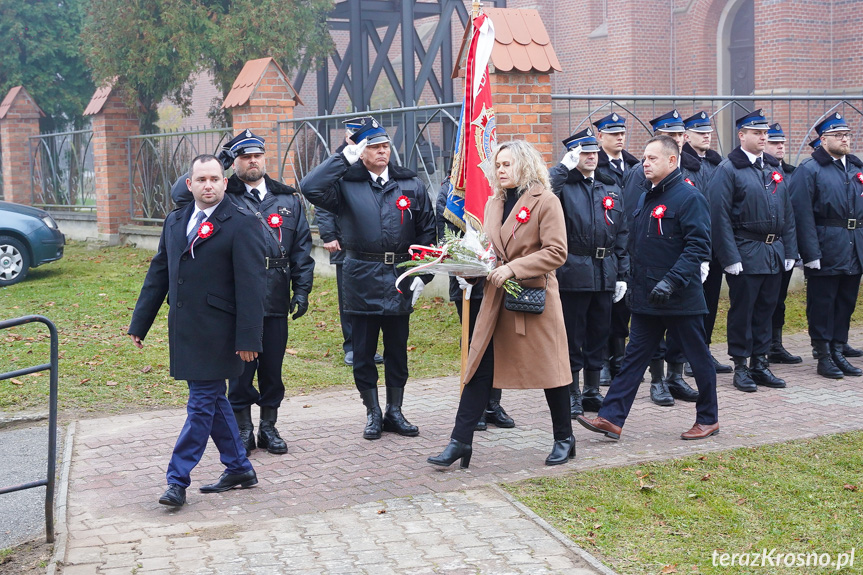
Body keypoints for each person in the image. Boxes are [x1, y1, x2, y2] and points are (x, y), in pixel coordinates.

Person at [128, 154, 266, 507]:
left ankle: (177, 480)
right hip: (186, 330)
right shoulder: (176, 220)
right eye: (201, 179)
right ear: (189, 184)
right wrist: (141, 322)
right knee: (214, 401)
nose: (208, 185)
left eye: (215, 179)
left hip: (220, 333)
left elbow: (252, 284)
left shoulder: (241, 221)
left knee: (201, 404)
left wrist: (250, 337)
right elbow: (160, 271)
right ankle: (239, 466)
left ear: (225, 182)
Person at [427, 140, 574, 469]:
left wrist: (513, 268)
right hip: (497, 298)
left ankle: (564, 438)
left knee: (552, 370)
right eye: (498, 165)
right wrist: (469, 269)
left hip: (534, 297)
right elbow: (492, 249)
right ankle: (460, 442)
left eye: (507, 164)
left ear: (524, 165)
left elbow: (556, 252)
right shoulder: (495, 202)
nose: (500, 170)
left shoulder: (545, 201)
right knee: (478, 367)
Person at [300, 117, 435, 440]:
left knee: (397, 350)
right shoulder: (346, 185)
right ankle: (373, 412)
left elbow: (428, 234)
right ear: (360, 152)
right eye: (373, 147)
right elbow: (310, 187)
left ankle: (395, 411)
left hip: (399, 276)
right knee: (362, 352)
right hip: (361, 276)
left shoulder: (410, 184)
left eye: (385, 146)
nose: (381, 152)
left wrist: (424, 275)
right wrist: (341, 158)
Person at [577, 135, 719, 441]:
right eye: (644, 158)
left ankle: (708, 418)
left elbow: (697, 247)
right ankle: (611, 418)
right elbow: (638, 245)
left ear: (672, 160)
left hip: (679, 297)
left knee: (698, 357)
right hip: (647, 297)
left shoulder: (689, 197)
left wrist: (671, 281)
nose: (645, 163)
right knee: (634, 358)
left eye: (652, 158)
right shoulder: (645, 197)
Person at [221, 130, 314, 455]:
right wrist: (219, 167)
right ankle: (244, 429)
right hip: (237, 298)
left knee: (272, 368)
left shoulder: (288, 199)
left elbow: (302, 247)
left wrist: (302, 290)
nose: (252, 161)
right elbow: (182, 195)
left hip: (275, 294)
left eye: (257, 155)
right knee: (241, 370)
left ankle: (268, 427)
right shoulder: (223, 195)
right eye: (245, 156)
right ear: (235, 162)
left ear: (264, 158)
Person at [621, 110, 705, 406]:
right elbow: (634, 224)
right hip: (652, 277)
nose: (679, 140)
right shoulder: (641, 176)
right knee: (644, 344)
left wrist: (700, 262)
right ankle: (657, 382)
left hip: (681, 275)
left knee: (687, 341)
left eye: (681, 135)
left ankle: (677, 378)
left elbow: (701, 227)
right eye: (671, 135)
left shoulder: (693, 170)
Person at [710, 109, 797, 392]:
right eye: (757, 133)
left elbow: (787, 213)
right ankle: (741, 365)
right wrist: (729, 257)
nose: (763, 137)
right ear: (742, 135)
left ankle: (761, 363)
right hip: (745, 252)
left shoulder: (772, 168)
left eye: (765, 133)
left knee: (766, 310)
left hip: (773, 251)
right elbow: (719, 216)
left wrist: (789, 251)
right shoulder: (729, 169)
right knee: (743, 312)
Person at [548, 128, 628, 417]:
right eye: (584, 152)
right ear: (572, 155)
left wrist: (622, 274)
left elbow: (622, 233)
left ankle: (592, 390)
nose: (592, 157)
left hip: (605, 271)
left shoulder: (609, 186)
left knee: (599, 332)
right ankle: (571, 392)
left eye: (594, 152)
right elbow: (539, 195)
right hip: (573, 271)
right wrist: (561, 169)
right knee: (573, 336)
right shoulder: (563, 186)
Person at [435, 178, 514, 431]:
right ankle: (474, 406)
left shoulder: (495, 189)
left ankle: (493, 403)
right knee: (473, 342)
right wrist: (459, 265)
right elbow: (445, 236)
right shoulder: (450, 191)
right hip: (466, 280)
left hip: (495, 277)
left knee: (497, 341)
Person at [790, 112, 863, 379]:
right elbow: (802, 215)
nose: (845, 139)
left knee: (846, 301)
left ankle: (838, 349)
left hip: (853, 245)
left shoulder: (856, 168)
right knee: (823, 302)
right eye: (838, 135)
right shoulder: (809, 170)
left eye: (847, 134)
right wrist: (809, 253)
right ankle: (823, 354)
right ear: (823, 140)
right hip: (826, 245)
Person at [316, 117, 384, 366]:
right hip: (344, 242)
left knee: (372, 294)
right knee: (349, 297)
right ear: (348, 137)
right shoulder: (337, 163)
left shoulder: (373, 162)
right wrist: (329, 235)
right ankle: (352, 346)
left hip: (371, 244)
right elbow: (323, 203)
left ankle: (370, 347)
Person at [680, 111, 731, 376]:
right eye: (700, 132)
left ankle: (704, 351)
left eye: (708, 131)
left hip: (714, 243)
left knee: (710, 301)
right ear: (687, 136)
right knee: (690, 303)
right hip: (689, 244)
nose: (707, 136)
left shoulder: (717, 164)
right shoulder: (681, 164)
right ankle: (686, 356)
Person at [593, 112, 639, 386]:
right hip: (605, 245)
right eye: (612, 133)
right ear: (600, 137)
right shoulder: (593, 166)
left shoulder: (634, 166)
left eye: (622, 133)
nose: (619, 138)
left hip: (630, 244)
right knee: (604, 310)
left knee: (624, 309)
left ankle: (620, 361)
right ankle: (602, 362)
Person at [764, 123, 803, 365]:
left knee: (779, 299)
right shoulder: (758, 171)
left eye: (783, 143)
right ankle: (758, 346)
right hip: (761, 246)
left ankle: (775, 344)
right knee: (761, 300)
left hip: (785, 245)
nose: (781, 147)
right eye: (775, 142)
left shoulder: (791, 173)